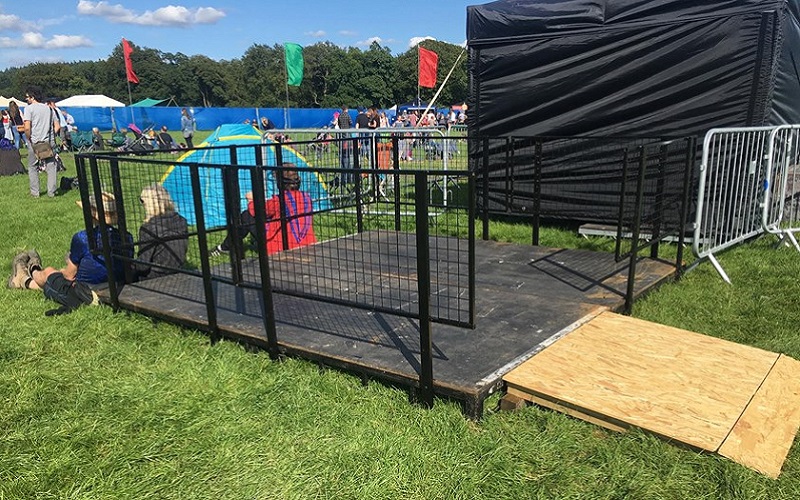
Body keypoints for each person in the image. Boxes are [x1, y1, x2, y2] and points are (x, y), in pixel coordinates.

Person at [8, 192, 134, 314]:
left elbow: (69, 276)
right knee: (65, 267)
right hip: (116, 287)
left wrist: (63, 270)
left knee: (50, 272)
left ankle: (29, 272)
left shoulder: (83, 238)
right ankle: (24, 279)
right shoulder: (127, 237)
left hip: (84, 292)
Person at [210, 165, 316, 257]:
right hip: (308, 243)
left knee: (246, 216)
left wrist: (251, 200)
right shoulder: (307, 197)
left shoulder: (278, 201)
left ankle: (225, 247)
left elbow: (255, 211)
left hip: (281, 247)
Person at [133, 184, 188, 280]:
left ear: (149, 204)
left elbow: (143, 266)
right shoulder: (182, 221)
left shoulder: (149, 228)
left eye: (143, 201)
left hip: (154, 277)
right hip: (177, 271)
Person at [23, 86, 61, 198]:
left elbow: (27, 127)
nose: (26, 99)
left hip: (35, 141)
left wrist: (28, 138)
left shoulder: (29, 109)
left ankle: (35, 193)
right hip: (49, 141)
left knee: (32, 167)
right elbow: (57, 126)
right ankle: (52, 192)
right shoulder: (49, 109)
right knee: (51, 166)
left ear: (32, 97)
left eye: (27, 97)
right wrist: (50, 135)